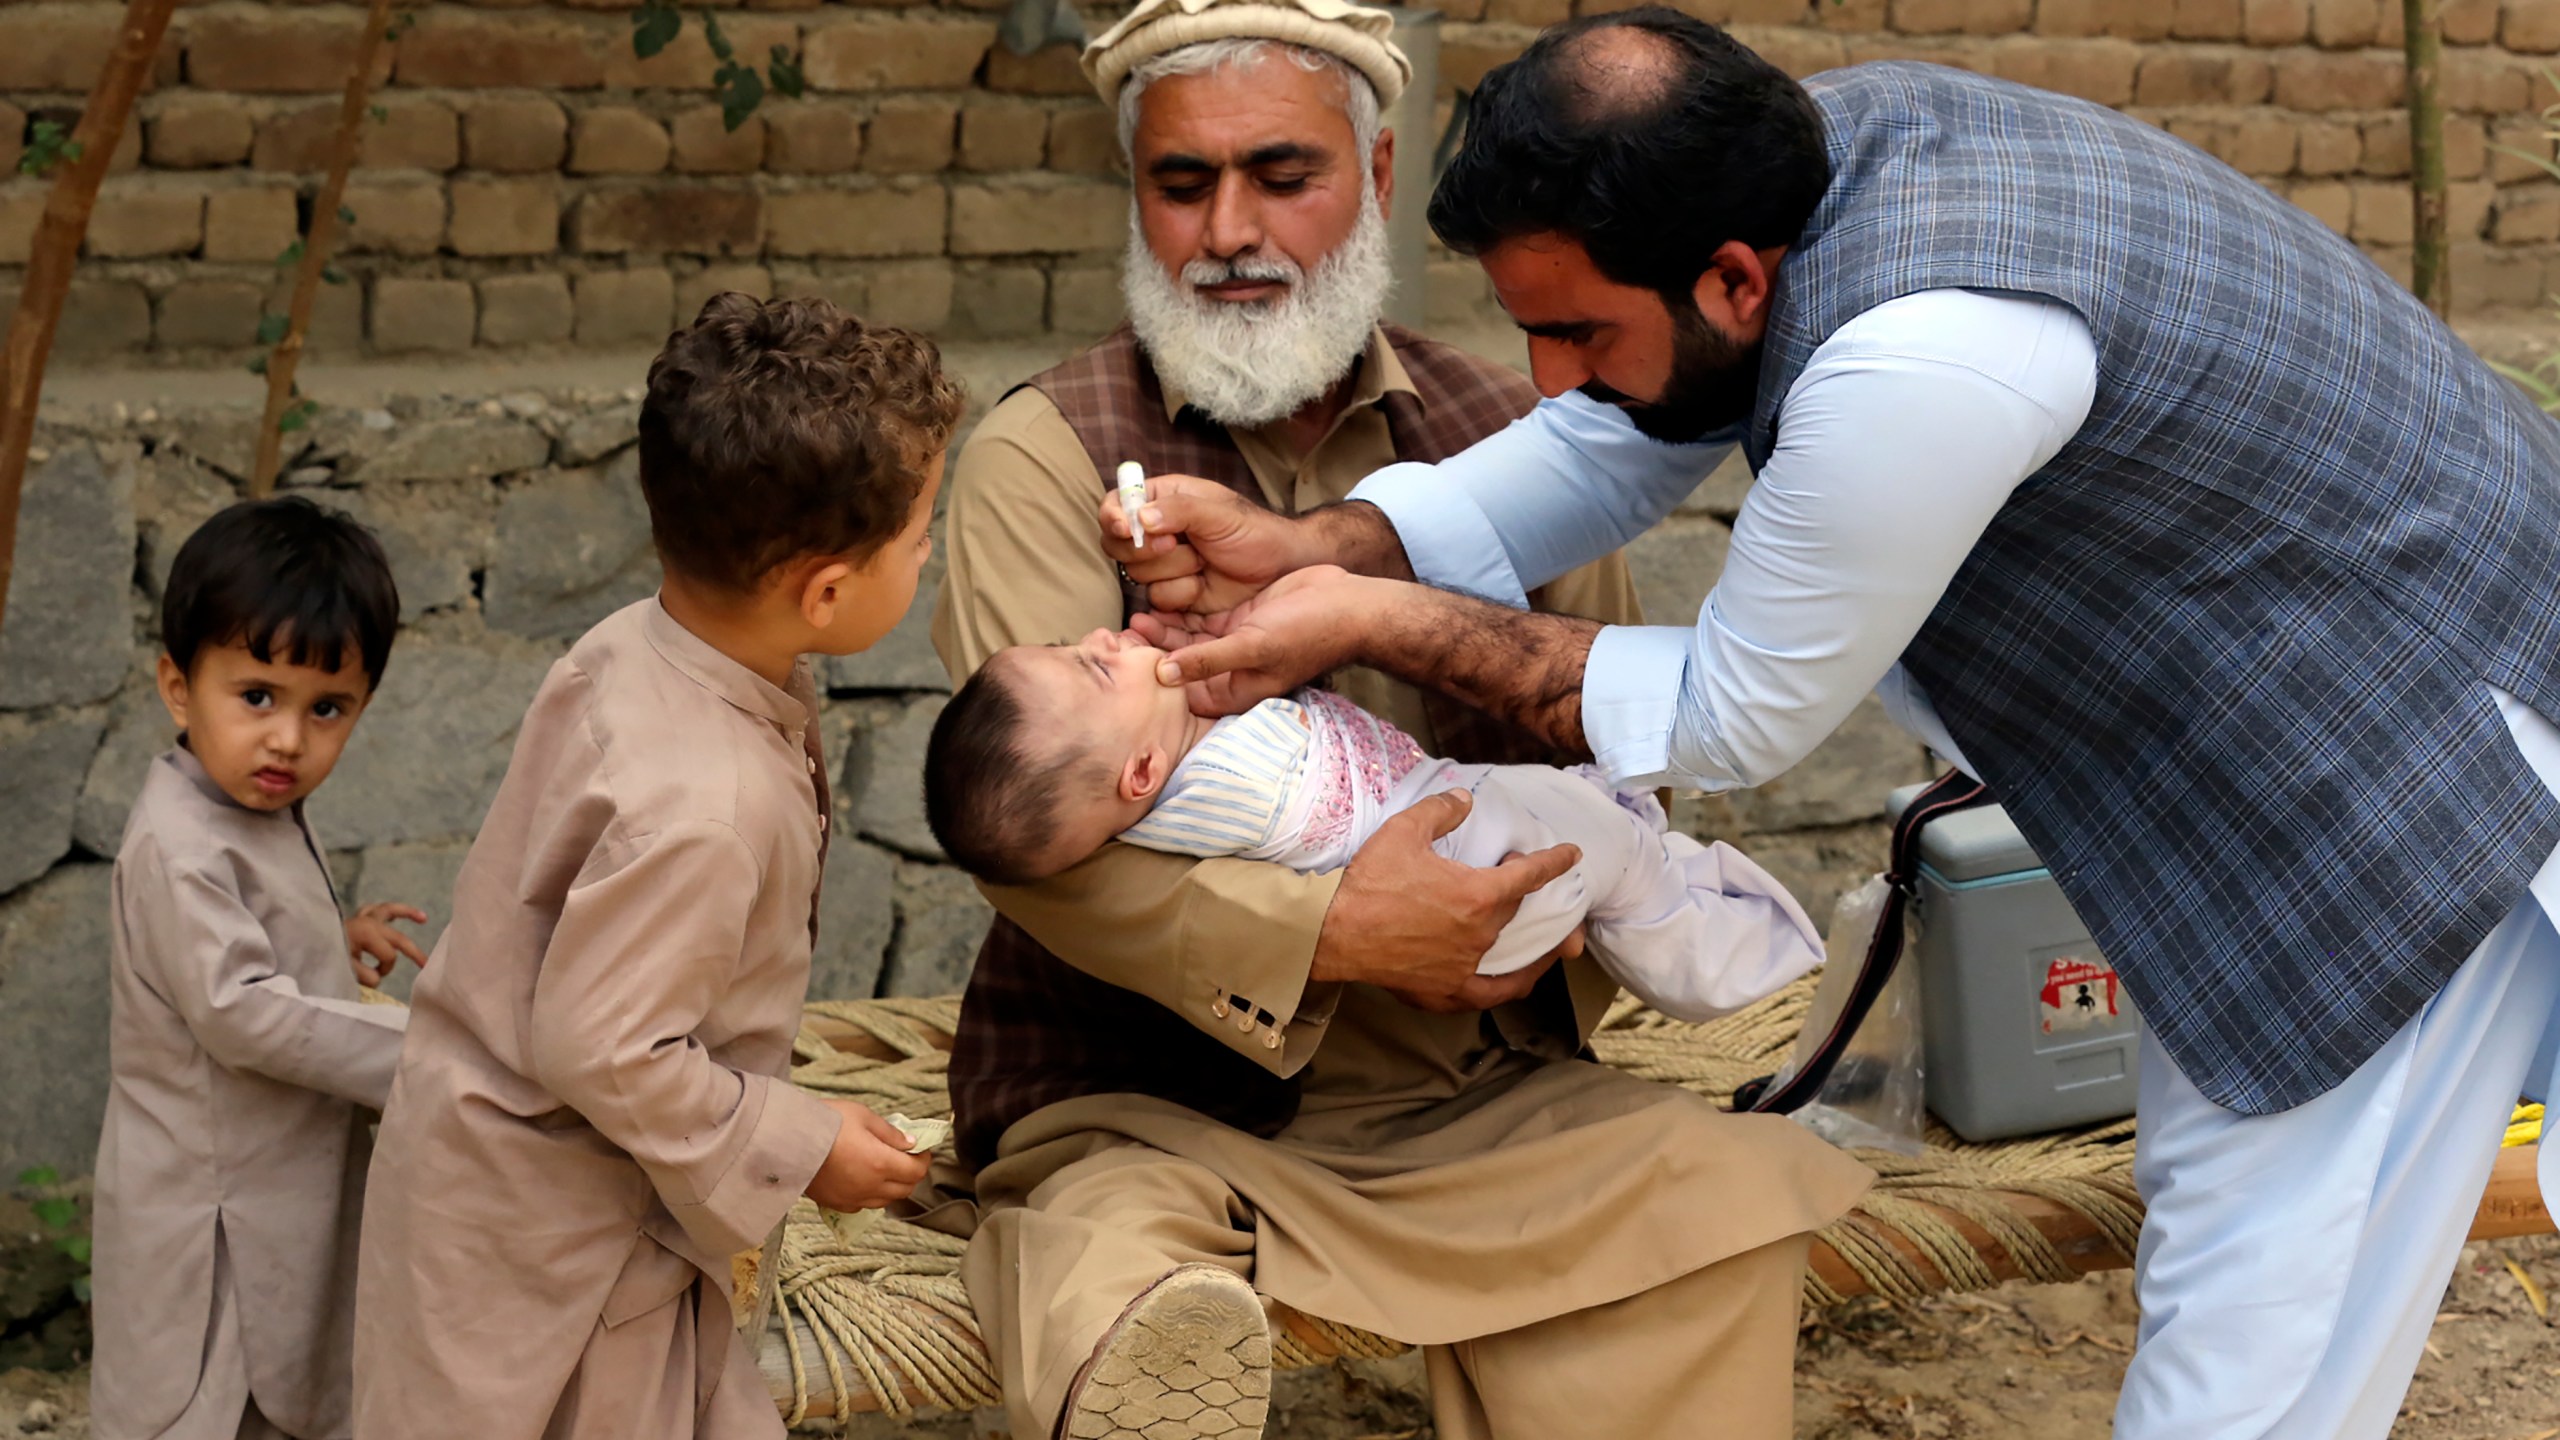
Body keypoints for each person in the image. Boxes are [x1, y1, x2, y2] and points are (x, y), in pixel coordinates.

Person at [1115, 10, 2560, 1435]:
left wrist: (1370, 618)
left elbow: (1732, 716)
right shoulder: (1800, 164)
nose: (1548, 370)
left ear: (1736, 279)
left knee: (2265, 1325)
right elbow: (1616, 427)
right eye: (1528, 327)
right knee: (2244, 1266)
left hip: (2404, 783)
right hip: (2266, 754)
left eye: (1575, 329)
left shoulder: (1914, 355)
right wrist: (1327, 548)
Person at [928, 2, 1874, 1437]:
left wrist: (1526, 910)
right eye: (1182, 185)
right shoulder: (1049, 456)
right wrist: (1336, 934)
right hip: (1154, 1098)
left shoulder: (1525, 431)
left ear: (1374, 180)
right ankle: (1136, 1355)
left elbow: (1607, 761)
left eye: (1281, 175)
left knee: (1712, 1193)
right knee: (1106, 1263)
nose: (1228, 229)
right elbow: (1038, 840)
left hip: (1478, 1091)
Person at [352, 295, 963, 1439]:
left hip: (519, 1185)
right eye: (921, 534)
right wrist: (801, 1141)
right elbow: (603, 1044)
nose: (931, 553)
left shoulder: (639, 645)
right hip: (560, 1248)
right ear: (827, 591)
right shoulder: (707, 803)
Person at [923, 629, 1824, 1021]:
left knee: (1591, 829)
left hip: (1472, 851)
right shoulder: (1231, 779)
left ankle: (1668, 896)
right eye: (1099, 666)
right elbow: (1321, 796)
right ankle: (1714, 938)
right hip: (1472, 871)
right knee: (1607, 843)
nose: (1111, 637)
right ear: (1144, 775)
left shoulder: (1160, 775)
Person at [90, 497, 427, 1440]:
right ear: (177, 687)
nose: (288, 738)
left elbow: (255, 945)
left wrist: (332, 934)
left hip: (275, 1181)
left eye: (327, 709)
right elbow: (240, 1009)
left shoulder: (245, 807)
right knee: (216, 1394)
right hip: (215, 1212)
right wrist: (429, 1050)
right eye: (257, 698)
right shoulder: (178, 845)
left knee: (284, 1383)